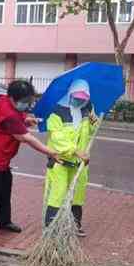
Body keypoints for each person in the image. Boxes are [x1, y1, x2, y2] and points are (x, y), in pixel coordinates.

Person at [0, 79, 63, 234]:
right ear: (12, 97)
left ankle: (4, 222)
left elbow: (17, 116)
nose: (28, 104)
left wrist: (25, 119)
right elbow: (26, 138)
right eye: (25, 101)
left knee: (5, 185)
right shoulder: (10, 115)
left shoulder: (4, 101)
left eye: (30, 100)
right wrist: (50, 151)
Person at [43, 79, 97, 237]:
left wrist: (94, 123)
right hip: (60, 161)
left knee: (78, 194)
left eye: (83, 98)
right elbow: (57, 137)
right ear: (70, 94)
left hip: (79, 164)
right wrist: (74, 151)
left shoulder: (87, 110)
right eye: (77, 97)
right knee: (57, 195)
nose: (79, 101)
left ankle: (74, 225)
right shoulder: (57, 112)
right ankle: (51, 228)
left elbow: (87, 134)